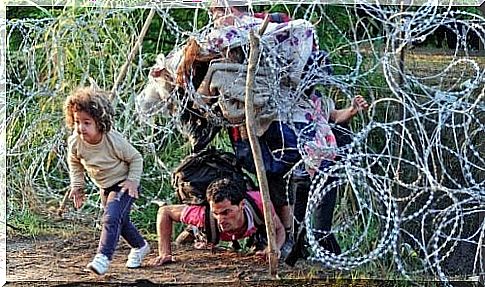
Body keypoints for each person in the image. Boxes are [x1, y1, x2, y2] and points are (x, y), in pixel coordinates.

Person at [64, 85, 150, 275]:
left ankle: (103, 257)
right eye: (77, 122)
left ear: (99, 122)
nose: (81, 127)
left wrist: (132, 181)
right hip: (105, 187)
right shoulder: (75, 142)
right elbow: (75, 162)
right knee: (121, 221)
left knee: (110, 219)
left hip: (123, 184)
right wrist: (77, 185)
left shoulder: (112, 140)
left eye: (87, 123)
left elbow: (136, 158)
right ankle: (140, 246)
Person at [148, 177, 286, 266]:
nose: (220, 219)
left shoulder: (260, 204)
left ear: (241, 205)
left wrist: (273, 248)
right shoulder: (202, 215)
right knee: (184, 242)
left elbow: (279, 229)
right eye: (216, 213)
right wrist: (164, 253)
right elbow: (165, 212)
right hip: (201, 231)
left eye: (226, 212)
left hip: (253, 233)